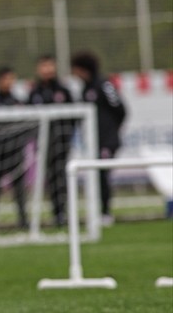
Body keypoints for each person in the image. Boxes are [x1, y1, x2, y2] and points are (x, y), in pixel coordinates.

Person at [70, 50, 127, 224]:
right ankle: (97, 211)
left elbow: (121, 109)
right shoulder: (85, 88)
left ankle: (105, 213)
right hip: (92, 141)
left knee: (102, 174)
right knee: (95, 175)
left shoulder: (104, 84)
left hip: (107, 140)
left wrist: (111, 132)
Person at [0, 65, 32, 231]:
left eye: (11, 79)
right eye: (5, 79)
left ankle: (23, 221)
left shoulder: (18, 102)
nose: (8, 82)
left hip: (16, 152)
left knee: (20, 190)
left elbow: (27, 125)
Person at [27, 54, 76, 227]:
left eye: (50, 66)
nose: (47, 70)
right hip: (44, 144)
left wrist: (67, 134)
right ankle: (53, 213)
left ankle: (63, 213)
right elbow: (27, 118)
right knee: (49, 178)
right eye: (44, 66)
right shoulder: (34, 93)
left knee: (62, 177)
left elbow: (76, 115)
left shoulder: (63, 91)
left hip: (62, 143)